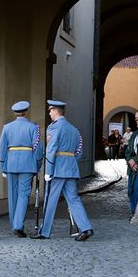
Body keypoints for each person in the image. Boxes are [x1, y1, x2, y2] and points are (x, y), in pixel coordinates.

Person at [31, 100, 93, 241]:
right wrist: (70, 162)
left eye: (50, 111)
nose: (49, 113)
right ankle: (86, 228)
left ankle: (44, 232)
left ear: (55, 111)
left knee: (50, 200)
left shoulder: (54, 128)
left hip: (57, 169)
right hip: (70, 169)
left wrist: (48, 170)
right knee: (74, 199)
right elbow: (79, 151)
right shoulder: (74, 129)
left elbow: (51, 149)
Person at [0, 101, 43, 238]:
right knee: (23, 195)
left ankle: (14, 224)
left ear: (15, 113)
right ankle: (18, 226)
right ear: (26, 111)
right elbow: (38, 149)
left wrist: (3, 166)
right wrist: (37, 165)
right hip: (27, 164)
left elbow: (2, 148)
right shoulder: (33, 127)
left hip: (11, 163)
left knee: (13, 196)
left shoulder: (7, 127)